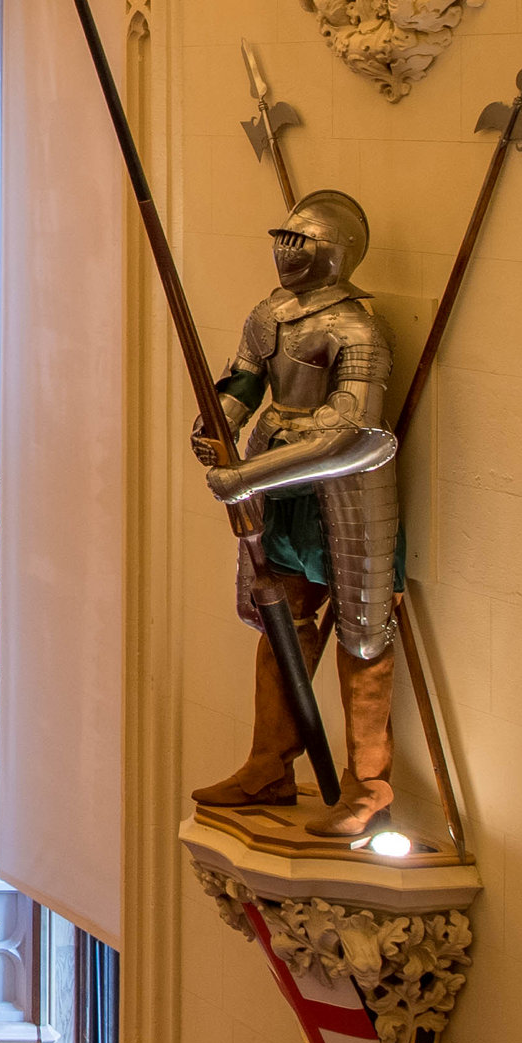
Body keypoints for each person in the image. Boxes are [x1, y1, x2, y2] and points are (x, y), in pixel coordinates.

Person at [192, 189, 401, 838]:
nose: (285, 254)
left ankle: (368, 788)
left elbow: (348, 428)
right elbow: (245, 381)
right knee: (277, 613)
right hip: (277, 482)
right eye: (282, 240)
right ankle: (268, 764)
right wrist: (216, 422)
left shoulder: (356, 329)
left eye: (299, 243)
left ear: (333, 254)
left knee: (364, 634)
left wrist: (245, 473)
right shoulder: (271, 314)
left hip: (345, 488)